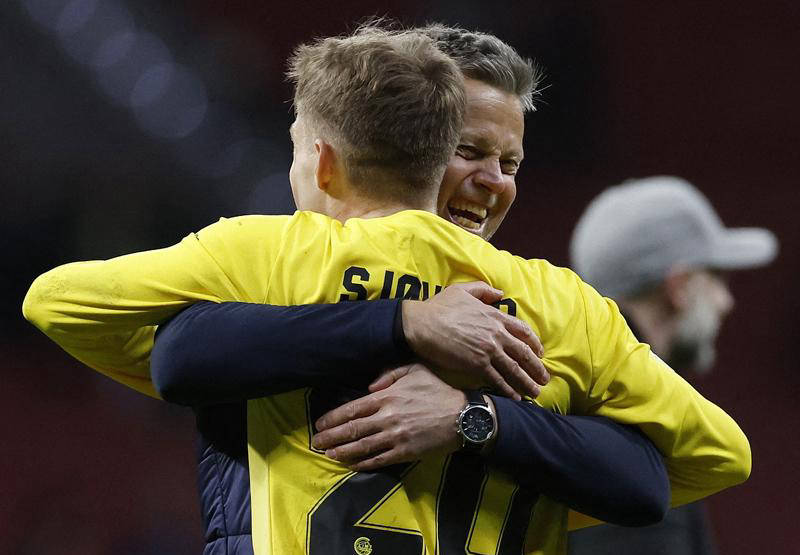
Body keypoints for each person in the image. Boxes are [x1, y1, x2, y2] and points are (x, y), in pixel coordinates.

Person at [23, 25, 749, 555]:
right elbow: (713, 457)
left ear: (327, 156)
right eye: (470, 150)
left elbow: (97, 322)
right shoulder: (560, 307)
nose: (493, 181)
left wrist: (473, 419)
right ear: (424, 142)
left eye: (511, 163)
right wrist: (407, 325)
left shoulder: (266, 260)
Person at [566, 175, 778, 555]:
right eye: (716, 277)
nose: (726, 302)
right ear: (678, 286)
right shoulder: (637, 427)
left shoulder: (585, 392)